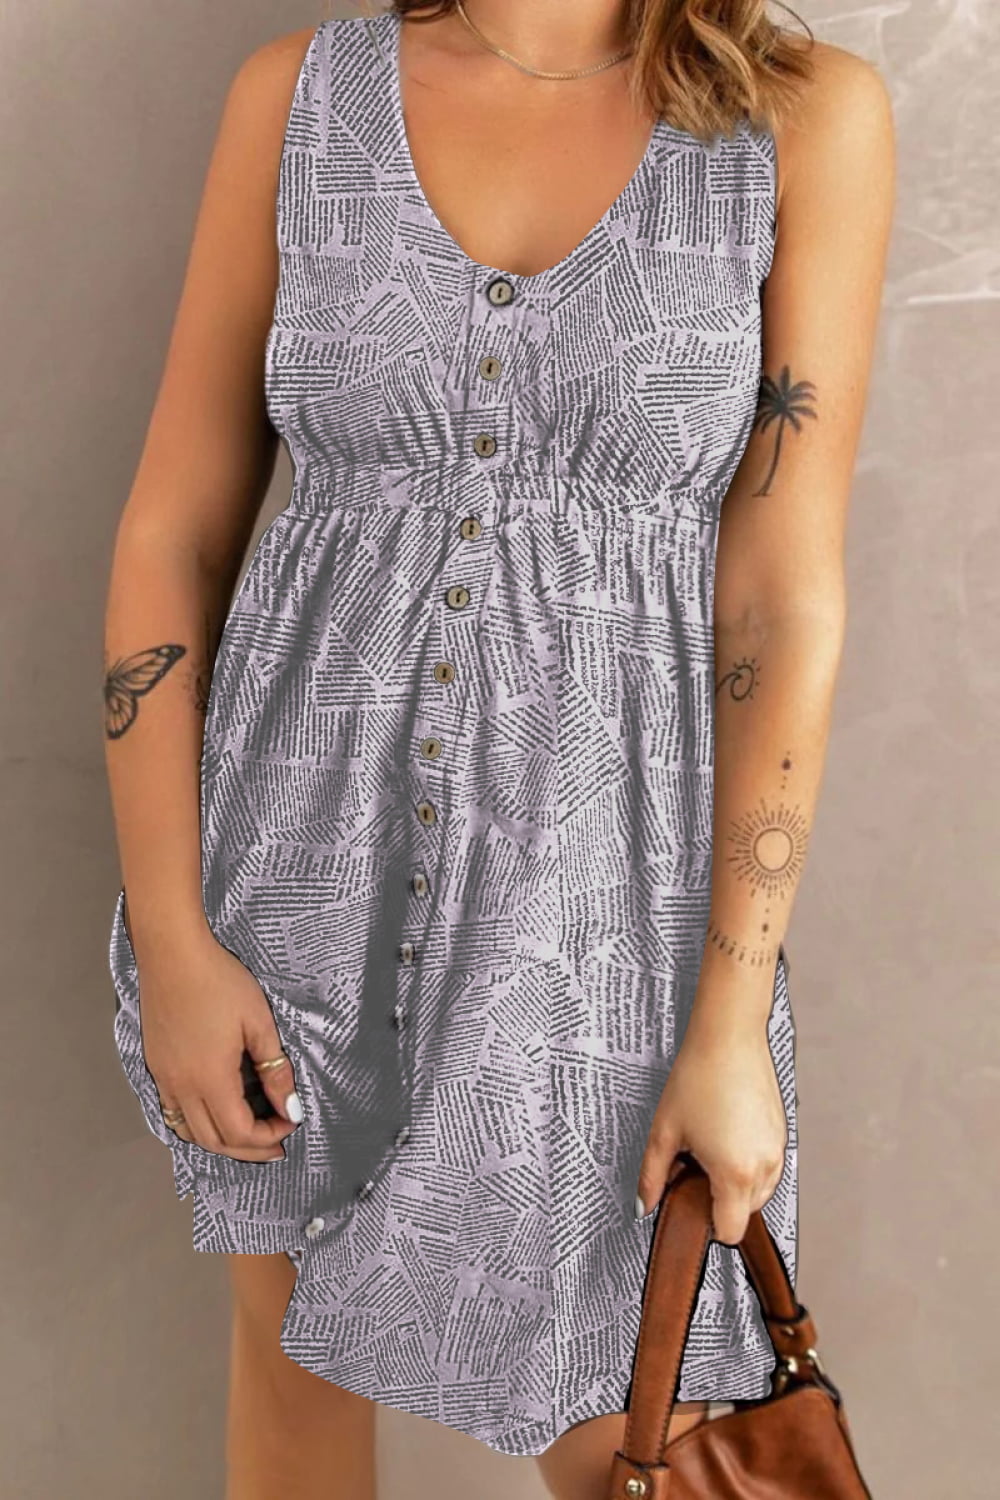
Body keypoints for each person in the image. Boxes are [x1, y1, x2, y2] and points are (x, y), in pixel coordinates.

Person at [102, 2, 894, 1497]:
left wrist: (730, 1024)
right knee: (291, 1388)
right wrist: (174, 937)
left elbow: (783, 600)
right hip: (295, 873)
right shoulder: (301, 99)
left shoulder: (799, 120)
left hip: (606, 914)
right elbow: (171, 531)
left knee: (634, 1427)